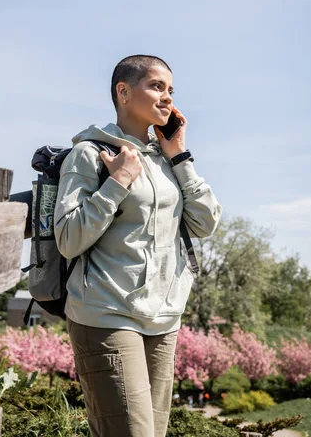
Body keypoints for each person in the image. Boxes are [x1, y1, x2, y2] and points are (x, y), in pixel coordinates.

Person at [54, 54, 222, 437]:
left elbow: (206, 222)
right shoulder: (90, 154)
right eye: (157, 87)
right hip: (107, 313)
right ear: (124, 92)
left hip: (163, 319)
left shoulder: (166, 160)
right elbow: (68, 239)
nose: (168, 98)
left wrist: (179, 156)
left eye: (171, 90)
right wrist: (117, 183)